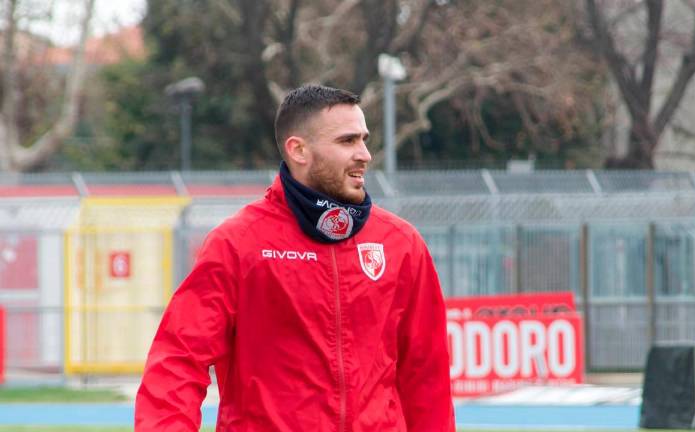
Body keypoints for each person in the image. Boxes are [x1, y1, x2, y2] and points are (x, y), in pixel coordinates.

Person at [135, 84, 455, 431]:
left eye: (364, 139)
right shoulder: (238, 244)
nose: (364, 154)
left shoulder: (400, 243)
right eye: (347, 141)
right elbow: (179, 360)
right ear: (298, 150)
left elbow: (426, 375)